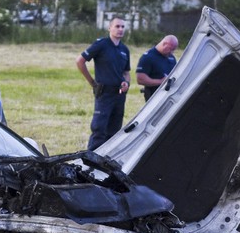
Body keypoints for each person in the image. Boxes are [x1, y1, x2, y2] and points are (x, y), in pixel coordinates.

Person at [76, 17, 131, 150]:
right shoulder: (101, 44)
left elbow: (126, 72)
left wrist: (126, 83)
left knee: (115, 129)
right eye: (117, 26)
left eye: (123, 27)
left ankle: (108, 159)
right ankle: (91, 158)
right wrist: (92, 82)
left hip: (119, 95)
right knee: (99, 128)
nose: (120, 29)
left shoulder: (124, 49)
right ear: (109, 28)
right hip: (104, 92)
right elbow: (80, 61)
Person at [136, 35, 179, 101]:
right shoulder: (148, 57)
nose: (171, 52)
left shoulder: (171, 58)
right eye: (170, 49)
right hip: (154, 96)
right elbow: (140, 79)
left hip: (169, 96)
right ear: (164, 44)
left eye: (173, 50)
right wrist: (161, 82)